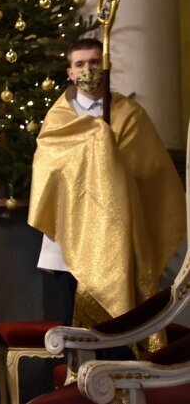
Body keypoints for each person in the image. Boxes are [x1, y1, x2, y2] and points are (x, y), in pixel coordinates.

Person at [29, 38, 185, 347]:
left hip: (120, 236)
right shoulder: (58, 118)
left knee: (125, 323)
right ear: (70, 73)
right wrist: (94, 141)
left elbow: (151, 171)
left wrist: (111, 154)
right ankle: (77, 387)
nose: (88, 70)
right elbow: (48, 168)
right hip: (69, 240)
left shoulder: (129, 114)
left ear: (106, 65)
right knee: (74, 325)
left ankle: (124, 386)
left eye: (94, 62)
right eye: (80, 64)